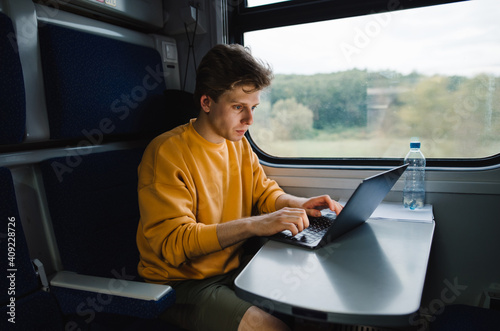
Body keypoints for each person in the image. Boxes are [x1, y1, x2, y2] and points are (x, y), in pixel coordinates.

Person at [136, 44, 343, 331]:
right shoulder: (167, 153)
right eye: (238, 108)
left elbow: (264, 193)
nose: (249, 120)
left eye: (253, 108)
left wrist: (299, 204)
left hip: (233, 267)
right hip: (181, 284)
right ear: (207, 102)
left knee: (316, 299)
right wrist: (254, 225)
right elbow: (174, 244)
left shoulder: (238, 145)